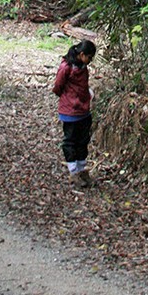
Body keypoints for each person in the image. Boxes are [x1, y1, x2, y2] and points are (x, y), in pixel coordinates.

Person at [52, 39, 97, 188]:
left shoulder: (83, 68)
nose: (90, 61)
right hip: (70, 111)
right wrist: (69, 99)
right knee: (70, 141)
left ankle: (82, 169)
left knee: (83, 141)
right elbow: (58, 86)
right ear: (82, 54)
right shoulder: (66, 67)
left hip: (83, 110)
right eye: (89, 57)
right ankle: (73, 172)